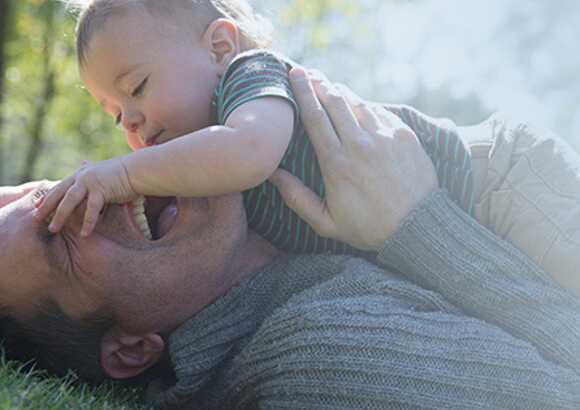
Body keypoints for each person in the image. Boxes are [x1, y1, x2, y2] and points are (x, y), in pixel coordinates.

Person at [2, 70, 580, 408]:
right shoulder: (323, 354)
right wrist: (417, 223)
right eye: (59, 240)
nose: (94, 195)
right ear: (132, 349)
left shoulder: (273, 212)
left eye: (57, 188)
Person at [34, 0, 580, 298]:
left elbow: (249, 151)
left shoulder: (251, 79)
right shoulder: (207, 169)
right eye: (113, 113)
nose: (128, 120)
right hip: (472, 233)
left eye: (138, 87)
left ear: (218, 49)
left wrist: (123, 173)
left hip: (505, 180)